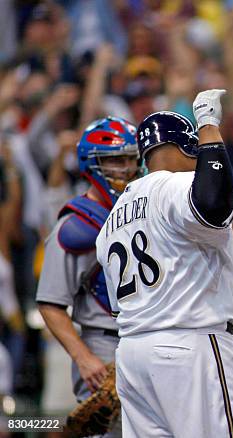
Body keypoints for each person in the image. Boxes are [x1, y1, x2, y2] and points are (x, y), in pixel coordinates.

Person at [95, 91, 233, 437]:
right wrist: (209, 127)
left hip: (134, 356)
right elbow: (213, 206)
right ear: (187, 147)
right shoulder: (176, 183)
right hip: (190, 345)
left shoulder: (113, 218)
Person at [36, 116, 142, 437]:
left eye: (131, 159)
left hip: (148, 339)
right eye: (115, 159)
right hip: (103, 344)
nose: (125, 168)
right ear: (92, 163)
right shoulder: (74, 225)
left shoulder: (142, 208)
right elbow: (50, 303)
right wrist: (83, 356)